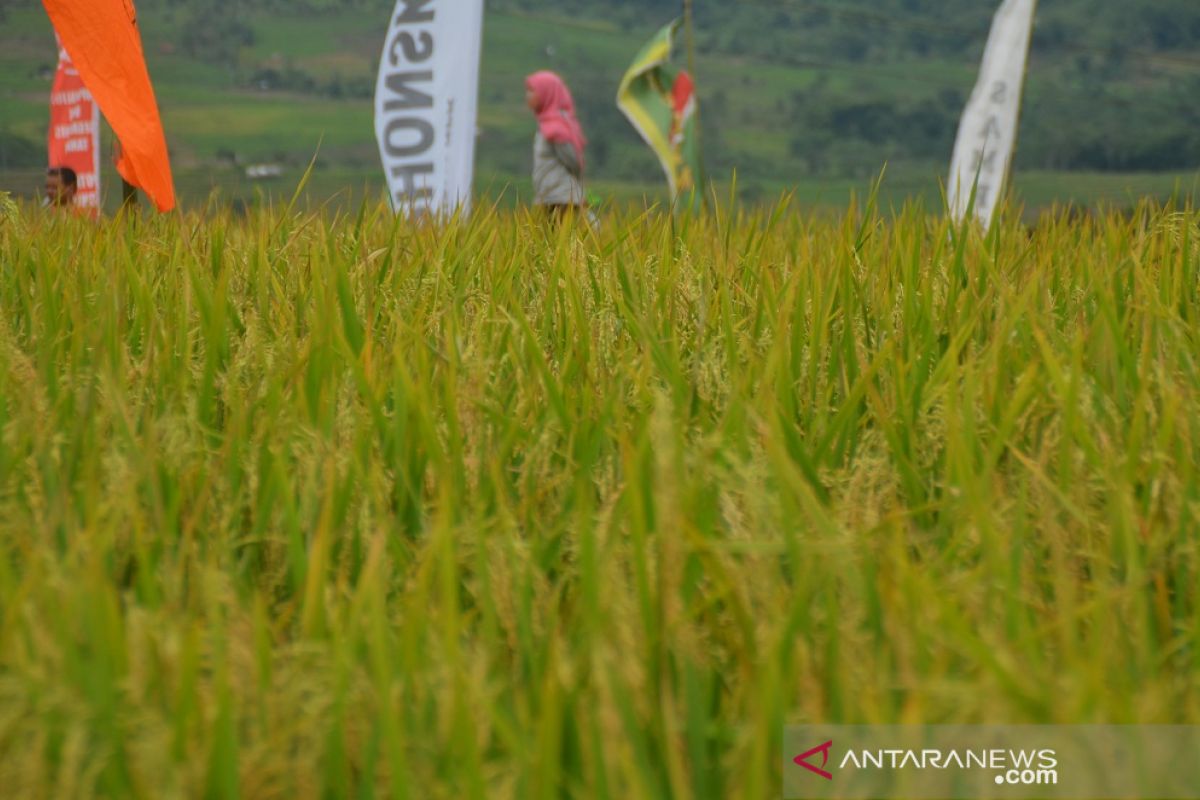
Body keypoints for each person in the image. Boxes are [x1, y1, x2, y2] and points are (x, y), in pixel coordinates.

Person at [525, 71, 587, 220]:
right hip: (548, 198)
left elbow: (574, 161)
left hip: (561, 200)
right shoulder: (547, 125)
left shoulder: (555, 128)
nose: (528, 95)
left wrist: (579, 190)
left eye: (532, 91)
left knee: (556, 240)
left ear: (546, 93)